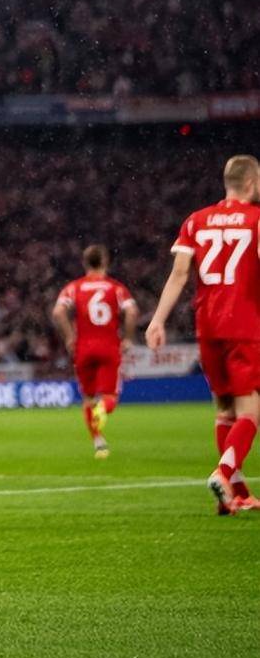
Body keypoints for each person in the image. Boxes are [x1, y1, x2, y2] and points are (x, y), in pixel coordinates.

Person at [146, 154, 260, 514]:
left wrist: (158, 320)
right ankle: (224, 473)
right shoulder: (256, 219)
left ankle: (236, 494)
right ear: (252, 182)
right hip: (244, 324)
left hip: (208, 325)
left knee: (225, 408)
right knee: (251, 411)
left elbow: (179, 274)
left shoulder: (196, 220)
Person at [51, 246, 138, 458]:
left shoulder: (75, 287)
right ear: (105, 261)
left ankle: (99, 442)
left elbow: (58, 311)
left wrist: (69, 336)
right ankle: (102, 409)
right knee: (109, 397)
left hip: (84, 347)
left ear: (84, 262)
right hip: (109, 346)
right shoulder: (115, 288)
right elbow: (132, 311)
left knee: (88, 398)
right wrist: (128, 338)